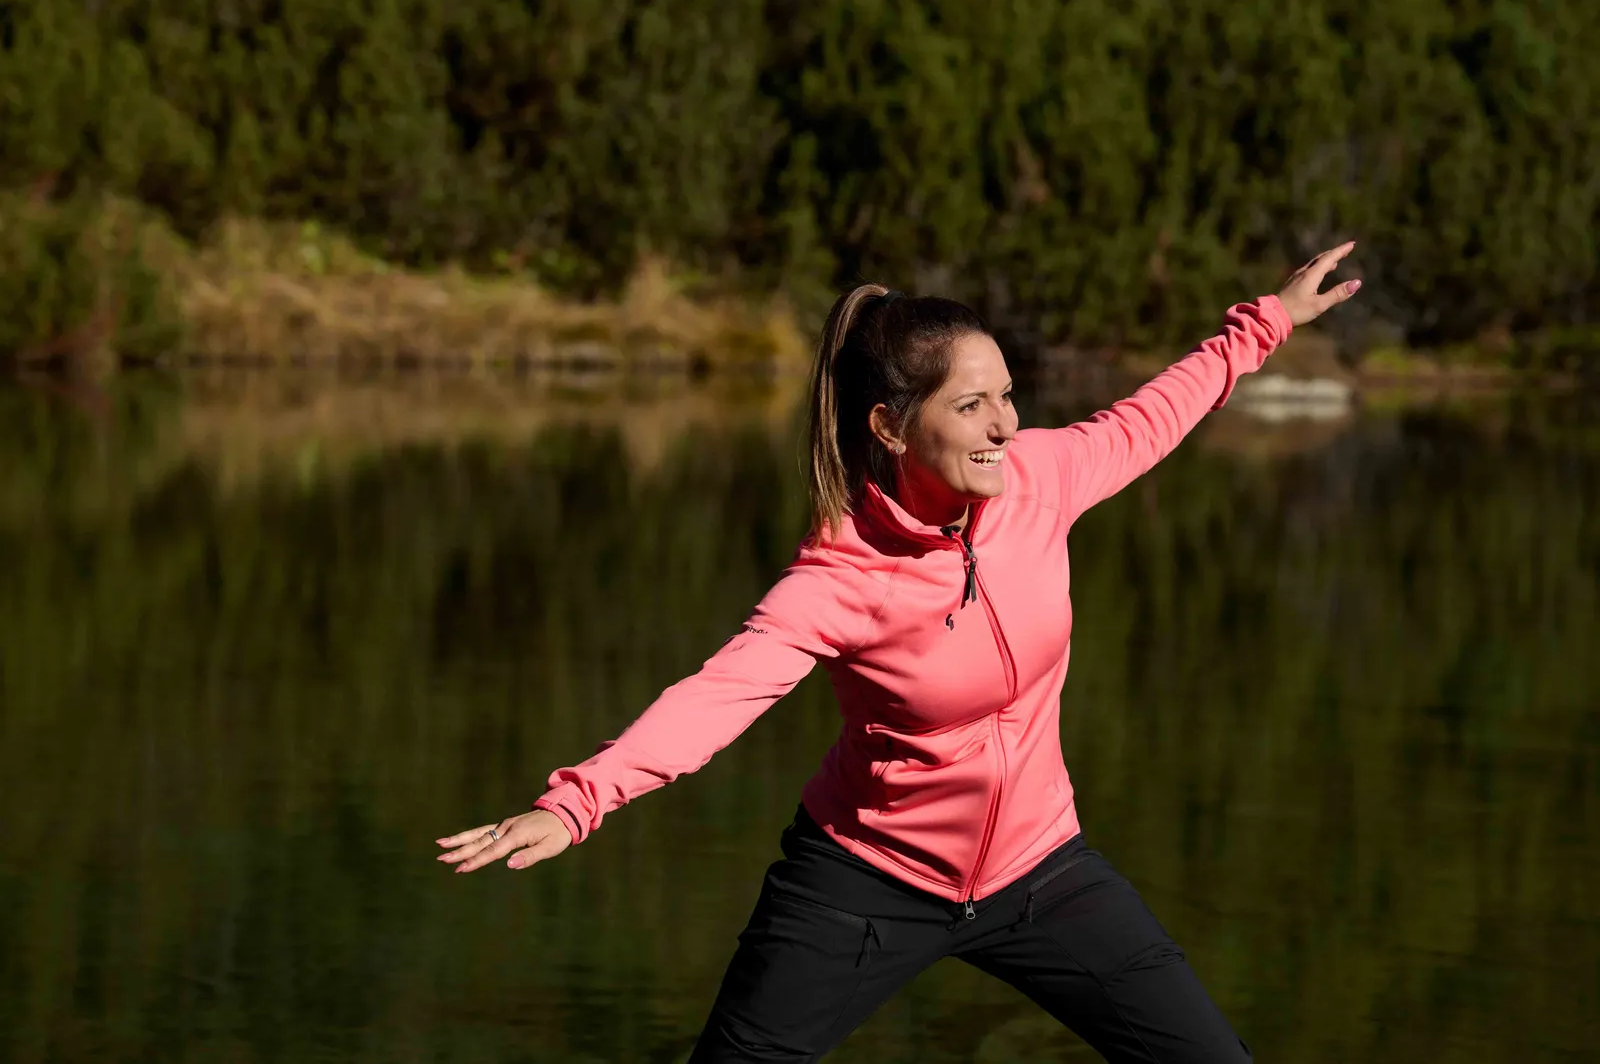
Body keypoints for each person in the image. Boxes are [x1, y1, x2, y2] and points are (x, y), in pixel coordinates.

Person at [437, 243, 1363, 1062]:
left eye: (1006, 394)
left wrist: (1268, 319)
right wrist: (580, 802)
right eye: (971, 405)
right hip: (863, 880)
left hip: (1044, 869)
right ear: (890, 426)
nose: (1005, 424)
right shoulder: (842, 577)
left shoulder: (1038, 479)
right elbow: (719, 694)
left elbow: (1152, 414)